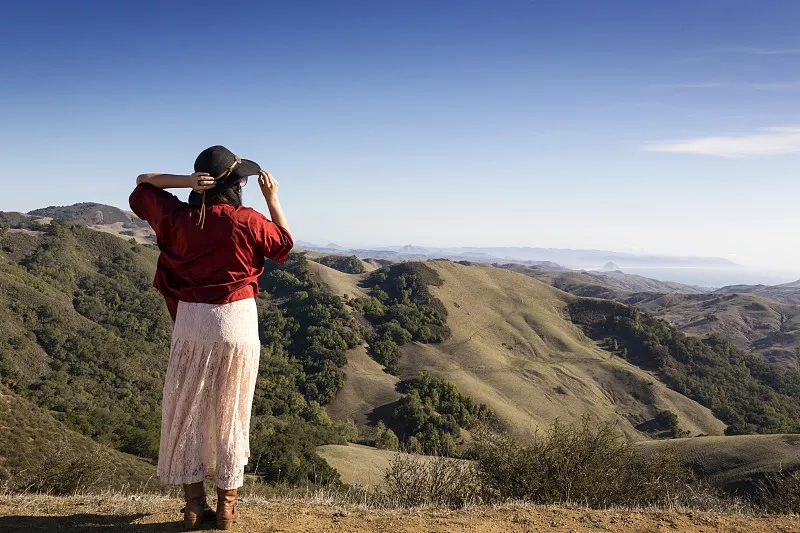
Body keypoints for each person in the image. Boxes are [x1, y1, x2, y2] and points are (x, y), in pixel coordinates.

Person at [129, 145, 293, 530]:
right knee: (230, 411)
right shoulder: (247, 220)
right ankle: (227, 508)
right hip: (237, 322)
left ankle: (192, 507)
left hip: (192, 323)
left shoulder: (178, 218)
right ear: (234, 185)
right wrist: (273, 199)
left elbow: (141, 185)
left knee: (189, 410)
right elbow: (283, 245)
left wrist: (186, 183)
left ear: (202, 182)